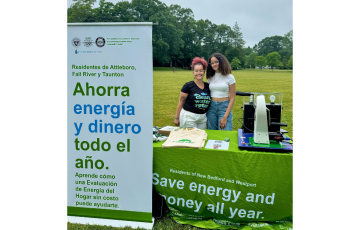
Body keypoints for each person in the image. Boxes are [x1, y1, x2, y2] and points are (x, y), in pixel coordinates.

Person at [174, 57, 211, 129]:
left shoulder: (208, 86)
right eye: (196, 71)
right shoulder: (188, 86)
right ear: (193, 72)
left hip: (202, 118)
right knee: (190, 138)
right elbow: (181, 102)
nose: (199, 73)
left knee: (201, 137)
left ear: (204, 72)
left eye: (201, 70)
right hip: (189, 116)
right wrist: (177, 118)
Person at [205, 53, 236, 130]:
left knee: (225, 133)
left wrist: (225, 117)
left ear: (222, 62)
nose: (214, 64)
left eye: (216, 62)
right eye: (212, 63)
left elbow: (232, 98)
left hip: (224, 107)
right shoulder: (210, 78)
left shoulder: (229, 77)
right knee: (212, 133)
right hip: (211, 108)